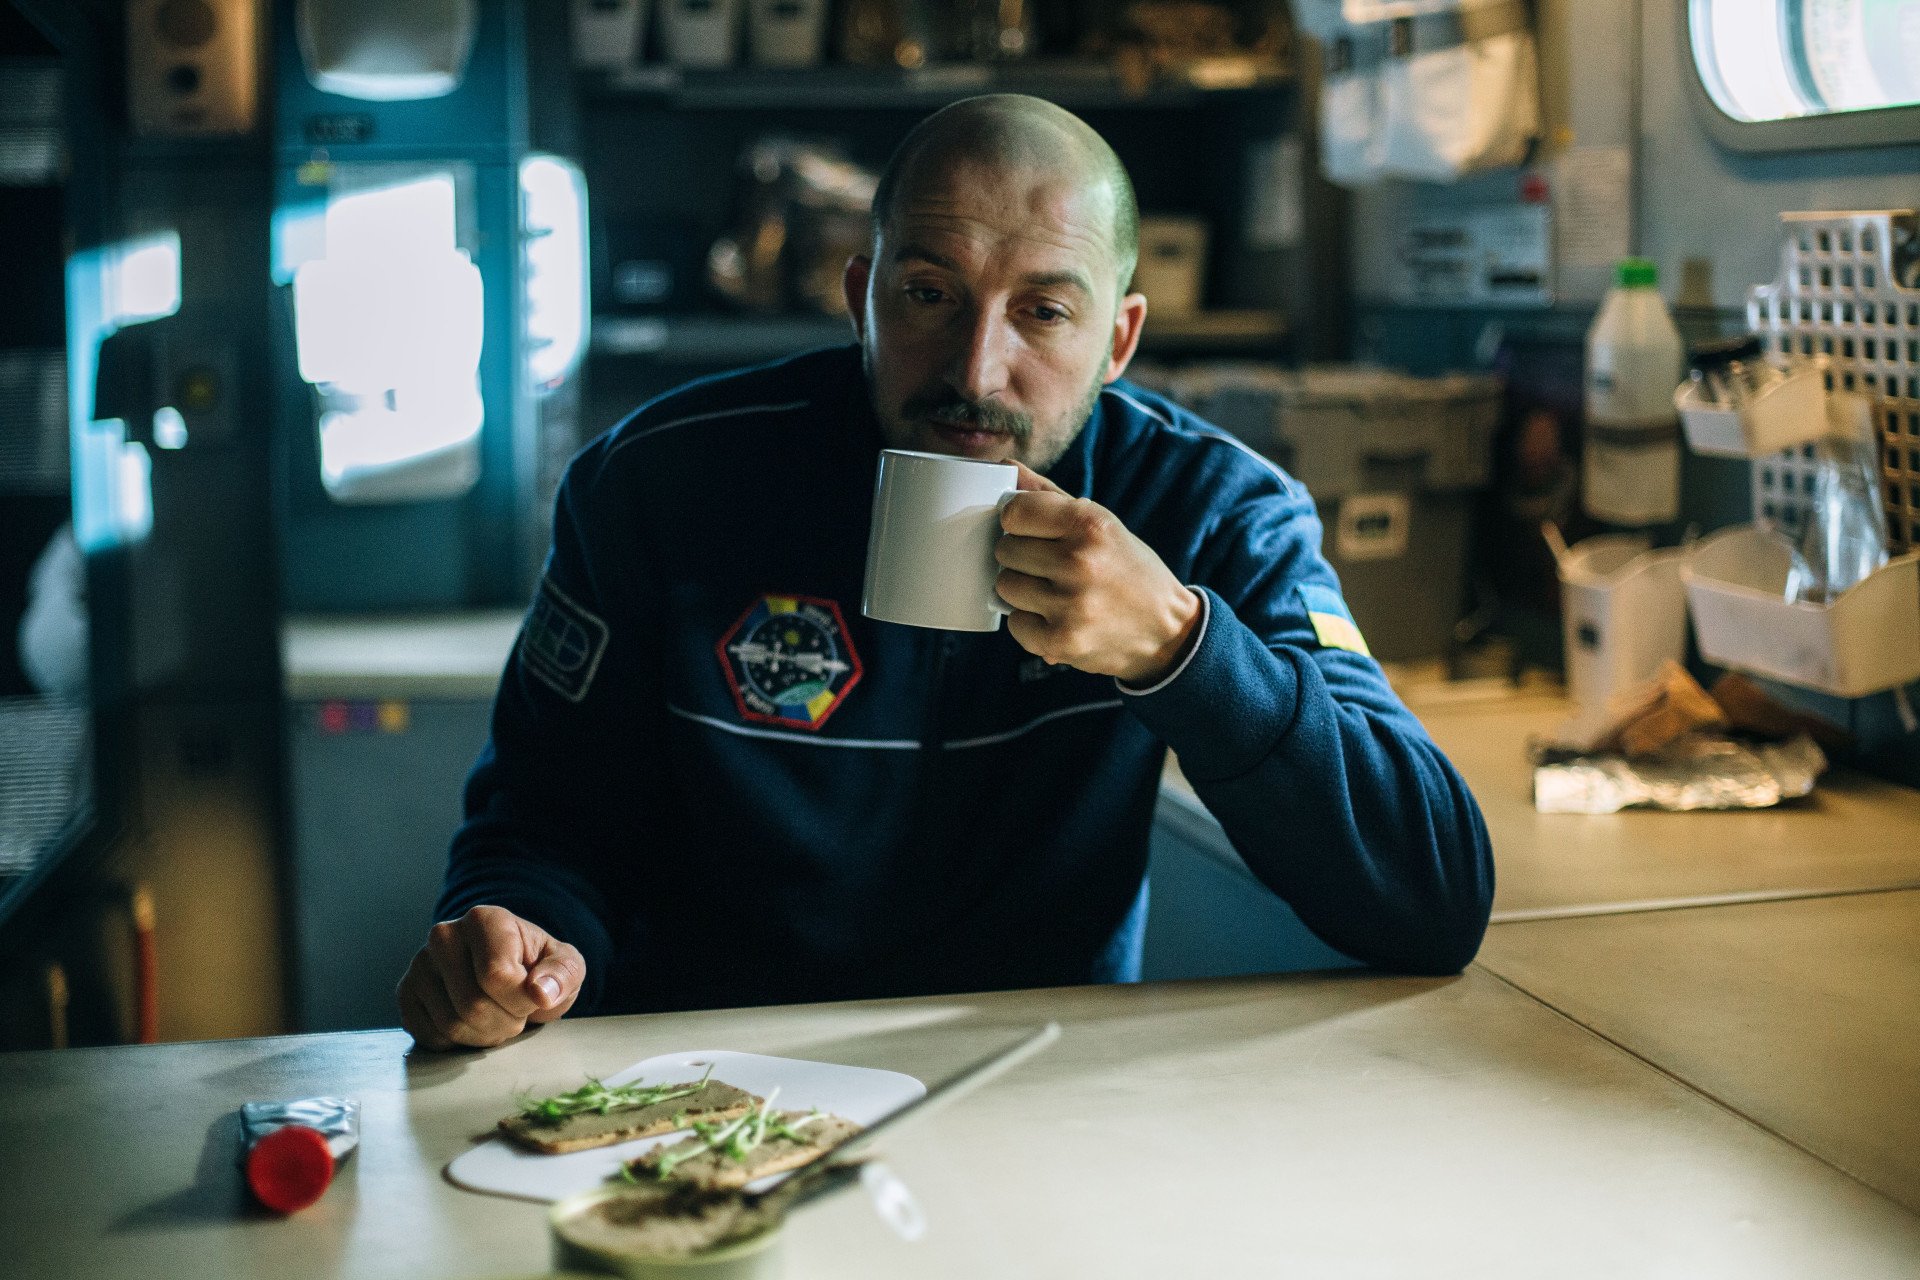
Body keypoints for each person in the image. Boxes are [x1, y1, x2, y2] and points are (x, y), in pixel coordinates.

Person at [396, 95, 1494, 1051]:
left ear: (1118, 341)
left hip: (1030, 1079)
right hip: (701, 1077)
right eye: (929, 294)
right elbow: (541, 828)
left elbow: (1433, 895)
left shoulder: (1209, 510)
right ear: (861, 294)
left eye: (1044, 312)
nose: (976, 370)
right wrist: (516, 942)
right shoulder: (657, 483)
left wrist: (1180, 647)